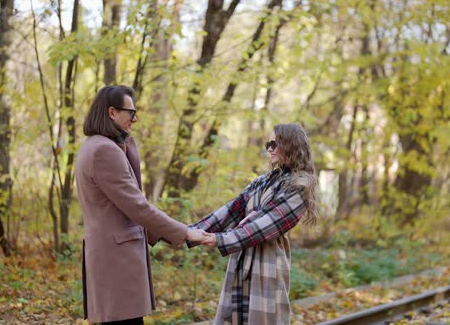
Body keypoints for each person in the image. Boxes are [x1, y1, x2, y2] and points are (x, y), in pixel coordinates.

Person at [74, 85, 206, 324]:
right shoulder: (105, 150)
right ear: (112, 112)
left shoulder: (93, 146)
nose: (135, 118)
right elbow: (137, 207)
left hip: (110, 257)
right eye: (131, 112)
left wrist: (165, 234)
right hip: (117, 261)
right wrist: (184, 232)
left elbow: (125, 205)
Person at [190, 123, 319, 325]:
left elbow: (265, 224)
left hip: (267, 264)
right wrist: (187, 232)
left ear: (291, 145)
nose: (269, 149)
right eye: (268, 144)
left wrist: (221, 239)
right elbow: (231, 210)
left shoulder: (301, 185)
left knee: (262, 319)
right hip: (241, 258)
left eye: (275, 144)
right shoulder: (262, 181)